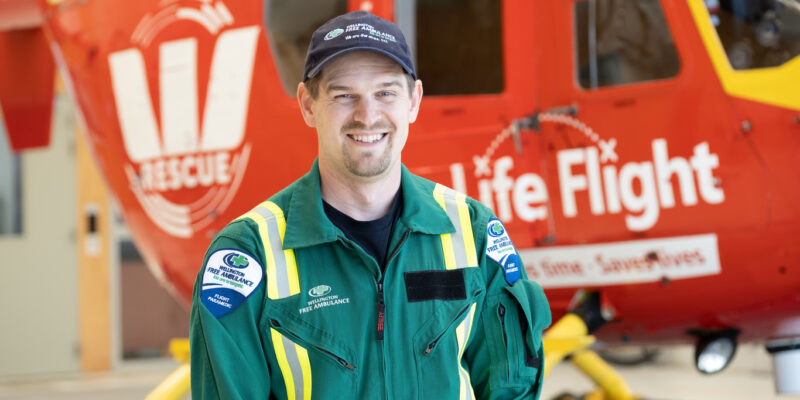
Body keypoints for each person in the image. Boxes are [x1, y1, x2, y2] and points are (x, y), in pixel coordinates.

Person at [190, 10, 550, 399]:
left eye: (386, 93)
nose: (367, 115)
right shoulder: (248, 255)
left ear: (414, 102)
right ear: (308, 105)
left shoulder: (474, 232)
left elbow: (512, 388)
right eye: (344, 95)